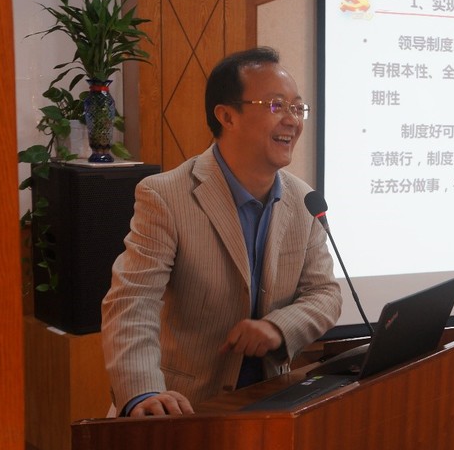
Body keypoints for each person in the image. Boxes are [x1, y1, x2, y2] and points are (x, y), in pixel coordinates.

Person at [101, 47, 343, 417]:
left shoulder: (303, 200)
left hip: (268, 403)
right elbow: (132, 302)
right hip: (182, 408)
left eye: (297, 108)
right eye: (276, 105)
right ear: (227, 116)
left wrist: (278, 328)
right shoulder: (166, 196)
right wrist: (143, 392)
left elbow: (324, 294)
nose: (292, 120)